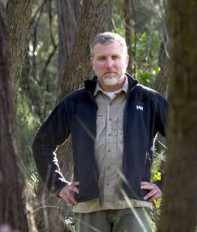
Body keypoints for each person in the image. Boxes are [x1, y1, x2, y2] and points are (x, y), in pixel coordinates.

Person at [32, 32, 167, 232]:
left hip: (134, 207)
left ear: (126, 60)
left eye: (115, 57)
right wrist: (59, 185)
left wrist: (164, 184)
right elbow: (42, 143)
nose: (109, 64)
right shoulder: (76, 102)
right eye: (102, 58)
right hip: (89, 208)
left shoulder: (149, 101)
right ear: (92, 62)